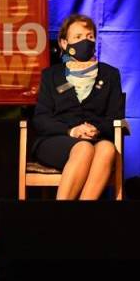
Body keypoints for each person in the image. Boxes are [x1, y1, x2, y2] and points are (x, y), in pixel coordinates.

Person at [30, 14, 124, 200]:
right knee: (83, 148)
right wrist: (72, 131)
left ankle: (80, 215)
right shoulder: (51, 75)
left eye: (90, 36)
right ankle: (61, 214)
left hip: (96, 138)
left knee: (107, 149)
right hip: (57, 139)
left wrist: (96, 129)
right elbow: (41, 119)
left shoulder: (110, 74)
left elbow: (115, 117)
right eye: (78, 37)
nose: (85, 41)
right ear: (64, 43)